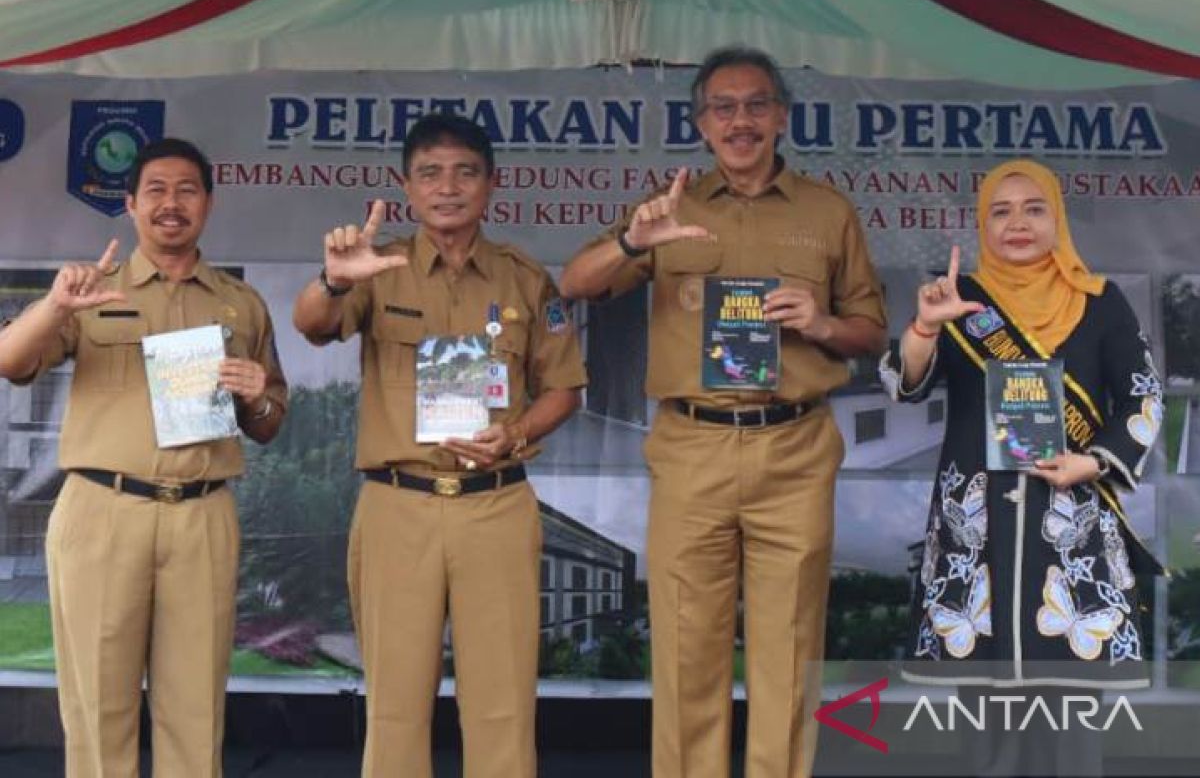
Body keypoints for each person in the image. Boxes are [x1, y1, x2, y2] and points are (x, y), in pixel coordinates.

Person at [560, 46, 887, 778]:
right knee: (686, 646)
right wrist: (630, 241)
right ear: (701, 125)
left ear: (781, 117)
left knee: (791, 648)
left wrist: (822, 323)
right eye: (723, 108)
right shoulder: (670, 209)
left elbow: (871, 330)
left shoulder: (827, 212)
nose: (741, 121)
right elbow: (577, 282)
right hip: (692, 447)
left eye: (756, 105)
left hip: (794, 448)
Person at [292, 113, 585, 778]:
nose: (447, 188)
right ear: (406, 187)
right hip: (400, 507)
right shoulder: (378, 268)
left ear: (491, 185)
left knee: (502, 702)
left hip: (496, 506)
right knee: (395, 703)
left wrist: (515, 431)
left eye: (464, 173)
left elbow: (565, 390)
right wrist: (336, 279)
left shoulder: (524, 279)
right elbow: (313, 324)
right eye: (430, 173)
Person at [0, 137, 288, 777]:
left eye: (187, 189)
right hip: (104, 510)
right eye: (155, 189)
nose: (171, 203)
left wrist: (252, 397)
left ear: (208, 204)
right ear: (129, 204)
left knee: (195, 704)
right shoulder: (90, 290)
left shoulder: (240, 304)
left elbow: (269, 420)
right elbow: (10, 360)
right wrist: (55, 305)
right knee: (99, 706)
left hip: (202, 514)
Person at [880, 159, 1163, 776]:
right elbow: (904, 385)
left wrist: (1093, 461)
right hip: (975, 532)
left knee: (1073, 725)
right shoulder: (961, 298)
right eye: (1000, 211)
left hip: (1071, 530)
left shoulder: (1099, 301)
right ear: (982, 224)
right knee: (986, 728)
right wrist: (926, 326)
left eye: (1034, 209)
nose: (1017, 223)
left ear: (1056, 219)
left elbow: (1143, 396)